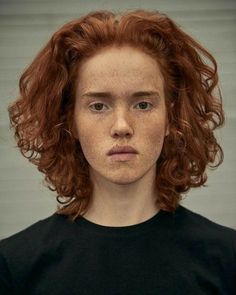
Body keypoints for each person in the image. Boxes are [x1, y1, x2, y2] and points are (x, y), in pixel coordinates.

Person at [0, 9, 235, 295]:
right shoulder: (14, 265)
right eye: (99, 106)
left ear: (170, 119)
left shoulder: (227, 259)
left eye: (143, 104)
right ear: (70, 121)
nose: (122, 126)